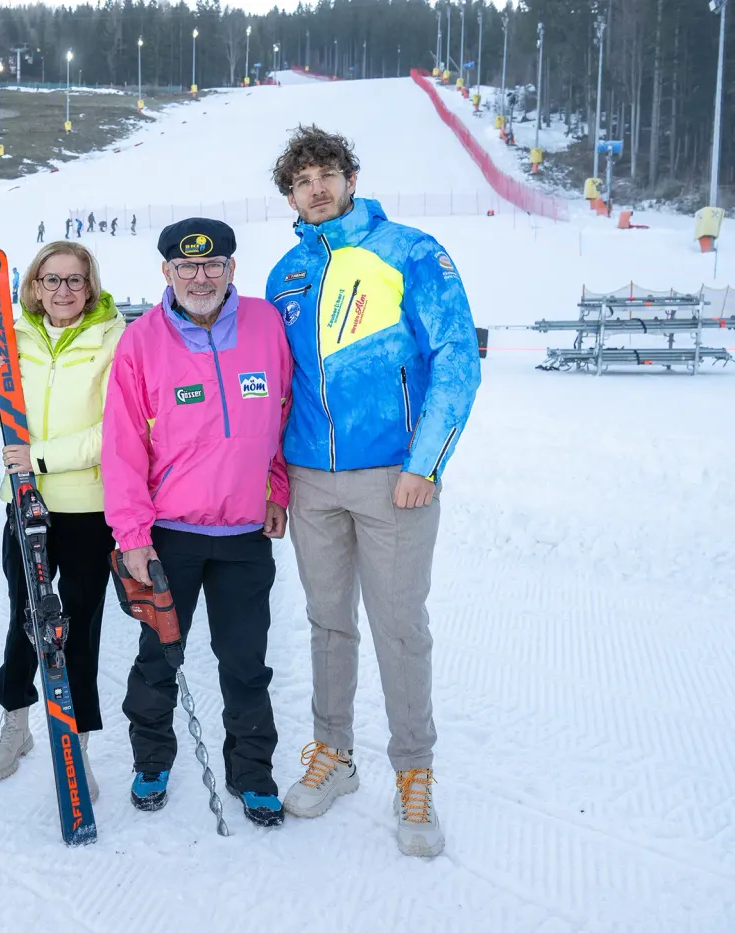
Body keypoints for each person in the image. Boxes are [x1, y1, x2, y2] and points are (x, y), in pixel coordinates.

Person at [265, 125, 480, 858]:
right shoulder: (285, 276)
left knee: (398, 626)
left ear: (350, 178)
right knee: (328, 623)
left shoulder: (409, 251)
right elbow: (276, 389)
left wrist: (426, 462)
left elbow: (457, 356)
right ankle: (335, 754)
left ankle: (414, 771)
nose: (316, 187)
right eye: (302, 180)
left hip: (396, 479)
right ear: (289, 196)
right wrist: (273, 477)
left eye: (326, 172)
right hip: (310, 481)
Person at [102, 218, 293, 828]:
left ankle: (252, 771)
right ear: (166, 273)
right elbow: (122, 445)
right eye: (186, 267)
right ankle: (152, 758)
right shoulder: (142, 341)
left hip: (242, 535)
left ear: (233, 268)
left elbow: (287, 409)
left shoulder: (266, 324)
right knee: (159, 657)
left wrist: (277, 488)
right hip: (170, 535)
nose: (200, 277)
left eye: (213, 265)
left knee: (245, 660)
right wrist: (131, 535)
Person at [0, 241, 125, 797]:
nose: (63, 290)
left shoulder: (114, 339)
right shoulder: (12, 337)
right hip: (28, 504)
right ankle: (16, 723)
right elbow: (5, 416)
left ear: (90, 285)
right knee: (24, 618)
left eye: (74, 280)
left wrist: (38, 457)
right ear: (35, 286)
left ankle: (77, 742)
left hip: (90, 506)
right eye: (51, 280)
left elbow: (114, 431)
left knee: (80, 627)